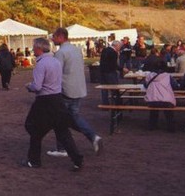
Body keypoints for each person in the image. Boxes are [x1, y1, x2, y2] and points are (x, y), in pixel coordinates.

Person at [22, 38, 84, 171]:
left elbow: (37, 86)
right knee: (62, 130)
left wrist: (29, 87)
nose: (33, 49)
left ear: (39, 49)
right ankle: (77, 158)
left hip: (44, 101)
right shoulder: (55, 61)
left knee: (33, 128)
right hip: (57, 99)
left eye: (34, 47)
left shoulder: (41, 64)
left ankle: (34, 160)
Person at [48, 28, 103, 157]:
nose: (53, 39)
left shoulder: (61, 53)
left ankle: (62, 148)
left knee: (59, 119)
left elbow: (56, 72)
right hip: (78, 88)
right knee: (74, 117)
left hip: (66, 90)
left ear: (61, 37)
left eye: (54, 37)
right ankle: (93, 137)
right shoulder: (76, 50)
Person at [144, 59, 179, 132]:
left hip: (152, 99)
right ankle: (171, 127)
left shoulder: (149, 75)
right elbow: (175, 86)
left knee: (153, 111)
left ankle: (152, 125)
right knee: (169, 113)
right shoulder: (168, 76)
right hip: (166, 100)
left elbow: (146, 85)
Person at [99, 40, 127, 105]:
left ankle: (105, 103)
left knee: (104, 89)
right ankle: (116, 103)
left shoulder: (105, 50)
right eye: (120, 46)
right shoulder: (113, 52)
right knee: (114, 88)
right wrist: (122, 69)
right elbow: (114, 65)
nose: (120, 48)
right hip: (110, 72)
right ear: (116, 46)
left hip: (102, 71)